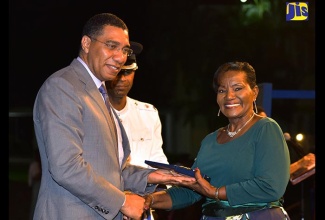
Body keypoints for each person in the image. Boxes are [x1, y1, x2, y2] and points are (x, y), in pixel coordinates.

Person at [32, 13, 195, 220]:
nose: (120, 57)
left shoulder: (98, 93)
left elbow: (109, 169)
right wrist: (123, 202)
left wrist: (151, 175)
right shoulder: (63, 87)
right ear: (86, 43)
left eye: (124, 50)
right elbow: (66, 166)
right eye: (111, 46)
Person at [144, 61, 291, 220]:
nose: (229, 96)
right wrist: (150, 200)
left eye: (237, 88)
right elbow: (191, 191)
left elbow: (270, 186)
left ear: (254, 92)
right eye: (222, 90)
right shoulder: (210, 140)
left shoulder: (266, 129)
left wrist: (215, 192)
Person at [106, 42, 169, 220]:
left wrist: (171, 182)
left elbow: (157, 161)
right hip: (107, 206)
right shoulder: (94, 112)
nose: (123, 79)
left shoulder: (148, 113)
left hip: (142, 207)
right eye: (118, 72)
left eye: (128, 72)